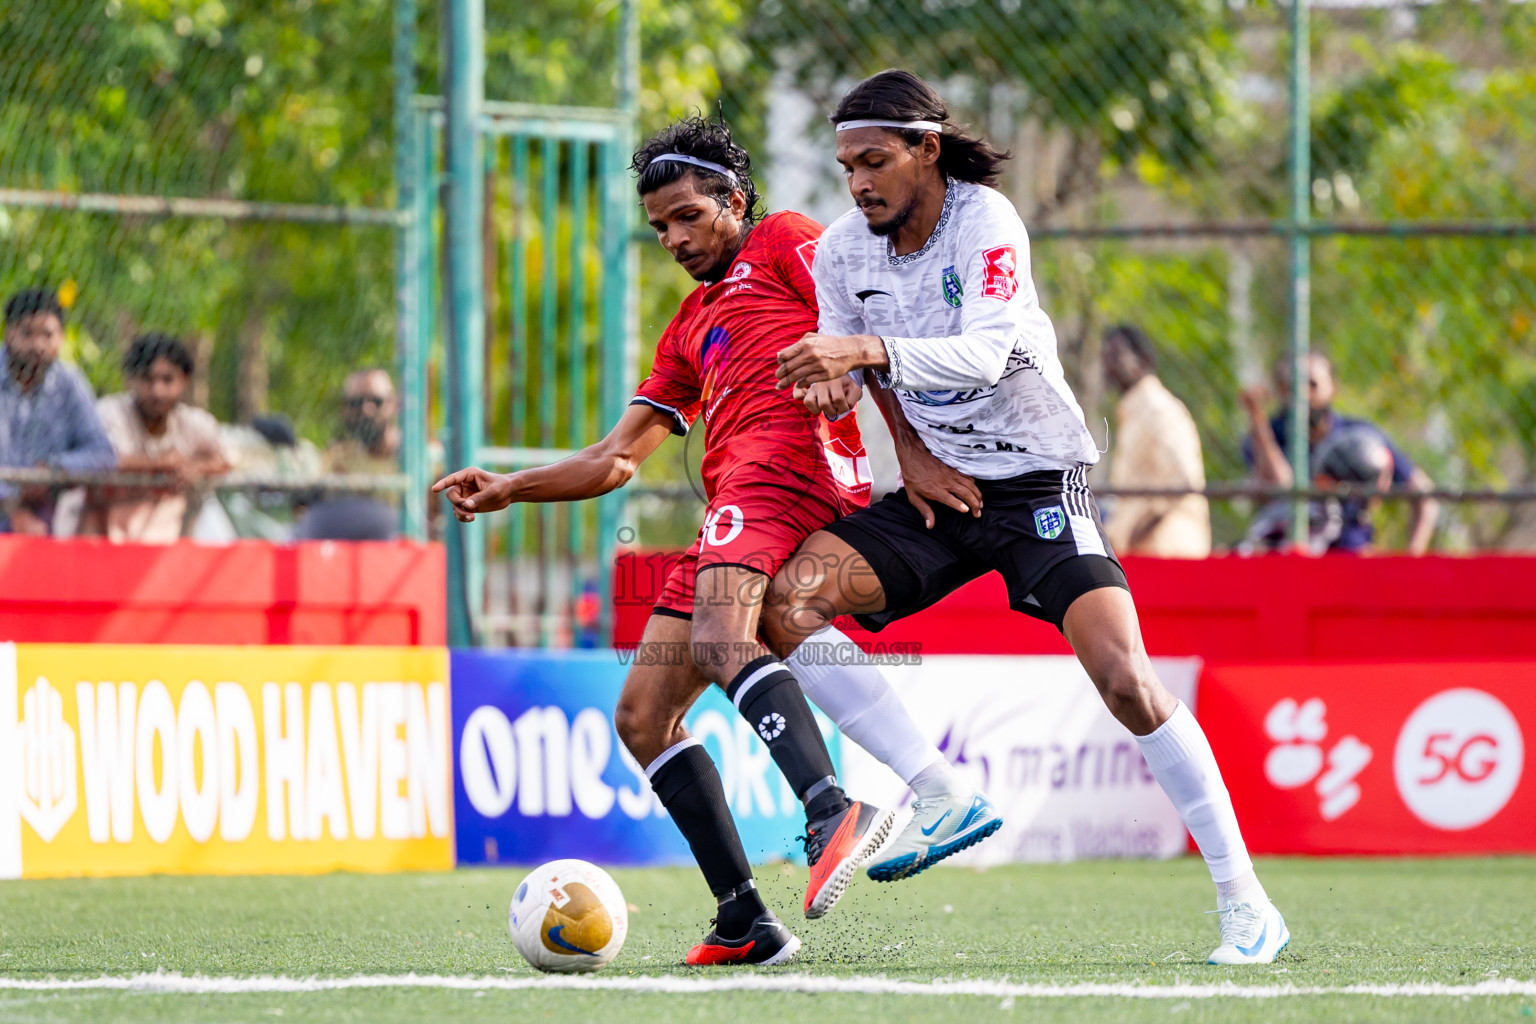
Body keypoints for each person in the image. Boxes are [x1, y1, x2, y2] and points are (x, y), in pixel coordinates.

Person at [433, 117, 996, 965]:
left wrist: (901, 443)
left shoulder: (786, 242)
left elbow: (865, 324)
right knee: (643, 714)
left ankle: (828, 808)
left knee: (721, 636)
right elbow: (616, 459)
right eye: (660, 227)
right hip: (735, 499)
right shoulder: (689, 326)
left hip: (790, 470)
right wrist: (513, 486)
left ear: (734, 201)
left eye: (689, 216)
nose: (674, 238)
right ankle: (745, 919)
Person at [763, 69, 1288, 965]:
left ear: (927, 150)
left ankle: (1247, 903)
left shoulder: (987, 222)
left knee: (1125, 678)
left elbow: (987, 349)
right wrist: (843, 394)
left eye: (875, 161)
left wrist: (857, 350)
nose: (857, 183)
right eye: (846, 165)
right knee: (785, 603)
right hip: (940, 490)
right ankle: (938, 794)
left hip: (1040, 483)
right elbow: (861, 377)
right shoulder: (845, 251)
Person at [1241, 351, 1438, 555]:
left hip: (1350, 556)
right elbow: (1280, 487)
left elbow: (1425, 495)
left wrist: (1413, 558)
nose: (1302, 394)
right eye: (1292, 385)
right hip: (1290, 556)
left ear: (1333, 388)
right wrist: (1256, 417)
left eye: (1312, 384)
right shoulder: (1268, 435)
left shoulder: (1361, 435)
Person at [89, 333, 230, 543]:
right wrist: (163, 463)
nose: (157, 391)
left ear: (184, 382)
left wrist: (195, 469)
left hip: (173, 528)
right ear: (130, 379)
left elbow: (226, 461)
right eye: (148, 379)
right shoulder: (109, 413)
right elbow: (105, 459)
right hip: (112, 524)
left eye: (167, 380)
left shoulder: (194, 423)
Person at [0, 288, 116, 534]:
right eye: (27, 333)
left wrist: (53, 470)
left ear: (61, 338)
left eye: (47, 334)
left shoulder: (69, 382)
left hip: (47, 528)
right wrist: (12, 507)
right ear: (8, 334)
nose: (37, 344)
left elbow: (103, 454)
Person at [1100, 324, 1211, 558]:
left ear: (1143, 360)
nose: (1109, 365)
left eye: (1116, 355)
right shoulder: (1133, 412)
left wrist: (1134, 534)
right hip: (1143, 554)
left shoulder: (1158, 409)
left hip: (1170, 553)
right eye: (1106, 357)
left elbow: (1182, 481)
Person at [296, 368, 402, 541]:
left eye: (376, 401)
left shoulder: (419, 459)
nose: (366, 410)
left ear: (394, 404)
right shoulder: (337, 458)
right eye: (356, 403)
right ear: (344, 408)